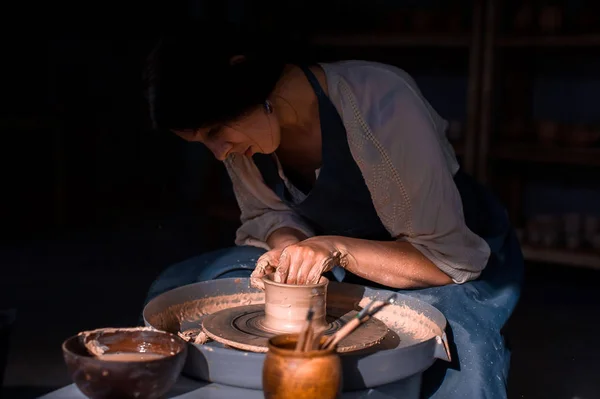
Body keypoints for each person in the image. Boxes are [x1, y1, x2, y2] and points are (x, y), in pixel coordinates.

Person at [143, 23, 524, 398]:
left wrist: (334, 248)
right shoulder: (247, 134)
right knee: (184, 285)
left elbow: (444, 259)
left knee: (448, 339)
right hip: (331, 250)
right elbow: (265, 216)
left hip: (440, 255)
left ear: (245, 80)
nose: (219, 153)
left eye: (214, 132)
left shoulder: (380, 97)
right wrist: (289, 246)